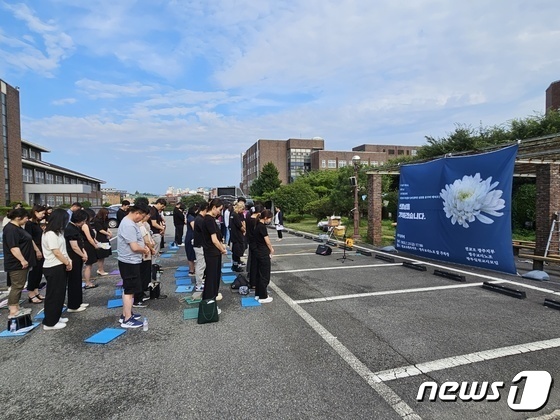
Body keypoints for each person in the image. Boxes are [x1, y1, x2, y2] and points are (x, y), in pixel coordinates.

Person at [117, 203, 151, 328]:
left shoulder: (129, 222)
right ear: (137, 213)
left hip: (130, 260)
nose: (141, 219)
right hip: (129, 261)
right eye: (141, 217)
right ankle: (127, 319)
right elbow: (134, 247)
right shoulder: (128, 225)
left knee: (128, 288)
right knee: (129, 290)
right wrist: (145, 250)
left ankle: (126, 313)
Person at [41, 209, 73, 330]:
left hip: (60, 265)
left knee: (59, 294)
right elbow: (56, 252)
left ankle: (56, 316)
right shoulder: (49, 234)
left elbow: (63, 250)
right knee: (53, 295)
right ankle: (49, 322)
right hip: (53, 266)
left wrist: (68, 261)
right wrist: (67, 262)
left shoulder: (58, 232)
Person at [3, 207, 36, 319]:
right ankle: (13, 310)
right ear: (18, 218)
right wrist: (22, 260)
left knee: (19, 285)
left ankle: (16, 306)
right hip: (16, 263)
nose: (27, 220)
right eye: (26, 218)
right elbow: (13, 247)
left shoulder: (17, 227)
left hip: (20, 262)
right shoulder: (11, 229)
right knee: (17, 286)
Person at [201, 198, 227, 305]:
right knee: (211, 277)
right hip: (211, 252)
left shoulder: (210, 219)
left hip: (214, 252)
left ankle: (213, 296)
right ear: (214, 207)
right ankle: (209, 301)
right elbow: (214, 240)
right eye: (219, 210)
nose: (219, 212)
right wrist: (223, 249)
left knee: (215, 275)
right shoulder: (208, 220)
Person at [64, 209, 89, 313]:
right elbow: (74, 246)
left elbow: (79, 243)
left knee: (78, 280)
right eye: (83, 220)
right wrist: (83, 254)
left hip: (78, 256)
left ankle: (78, 302)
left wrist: (84, 252)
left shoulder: (75, 227)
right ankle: (73, 305)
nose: (84, 223)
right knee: (74, 281)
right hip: (73, 256)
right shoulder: (70, 229)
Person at [25, 204, 47, 303]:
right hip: (34, 250)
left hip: (40, 248)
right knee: (34, 272)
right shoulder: (29, 224)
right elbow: (30, 239)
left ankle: (36, 291)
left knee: (39, 271)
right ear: (35, 212)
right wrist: (37, 250)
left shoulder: (36, 223)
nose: (43, 215)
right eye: (42, 213)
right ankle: (31, 293)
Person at [133, 211, 156, 308]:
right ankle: (139, 296)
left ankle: (141, 294)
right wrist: (152, 249)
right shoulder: (140, 226)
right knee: (143, 275)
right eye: (147, 215)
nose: (148, 217)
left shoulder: (141, 225)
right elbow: (146, 241)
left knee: (143, 274)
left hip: (144, 253)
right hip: (144, 254)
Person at [254, 209, 275, 303]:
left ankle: (258, 294)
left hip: (258, 252)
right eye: (270, 219)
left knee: (259, 274)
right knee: (265, 275)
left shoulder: (257, 225)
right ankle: (263, 296)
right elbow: (267, 241)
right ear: (266, 218)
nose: (270, 221)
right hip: (263, 252)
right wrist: (271, 249)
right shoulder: (262, 227)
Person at [246, 204, 263, 289]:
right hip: (255, 243)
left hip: (250, 241)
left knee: (252, 261)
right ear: (259, 212)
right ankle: (254, 282)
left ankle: (252, 281)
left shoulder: (248, 217)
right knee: (255, 263)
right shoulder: (255, 221)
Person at [81, 208, 99, 289]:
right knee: (88, 265)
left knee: (89, 265)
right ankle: (87, 282)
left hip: (89, 245)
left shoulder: (87, 224)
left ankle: (88, 281)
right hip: (87, 246)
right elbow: (89, 238)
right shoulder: (84, 225)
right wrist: (95, 245)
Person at [92, 207, 113, 275]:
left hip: (105, 238)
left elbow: (106, 227)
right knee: (101, 255)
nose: (106, 215)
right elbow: (100, 230)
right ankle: (100, 270)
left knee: (103, 255)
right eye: (106, 214)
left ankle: (101, 269)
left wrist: (110, 232)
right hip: (100, 239)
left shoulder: (104, 220)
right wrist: (108, 234)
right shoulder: (97, 220)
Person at [192, 202, 208, 292]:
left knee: (201, 264)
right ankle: (199, 284)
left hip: (199, 244)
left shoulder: (199, 218)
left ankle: (200, 282)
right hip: (199, 245)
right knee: (200, 265)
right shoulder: (200, 220)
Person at [230, 201, 246, 272]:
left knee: (235, 252)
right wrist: (244, 230)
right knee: (237, 252)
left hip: (234, 236)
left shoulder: (233, 214)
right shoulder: (235, 215)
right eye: (242, 209)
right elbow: (240, 226)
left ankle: (235, 264)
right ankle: (235, 266)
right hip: (237, 236)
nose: (243, 211)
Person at [184, 204, 198, 275]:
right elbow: (194, 227)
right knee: (191, 254)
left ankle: (192, 269)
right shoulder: (191, 217)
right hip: (191, 237)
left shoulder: (190, 216)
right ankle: (191, 270)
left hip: (190, 236)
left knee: (192, 255)